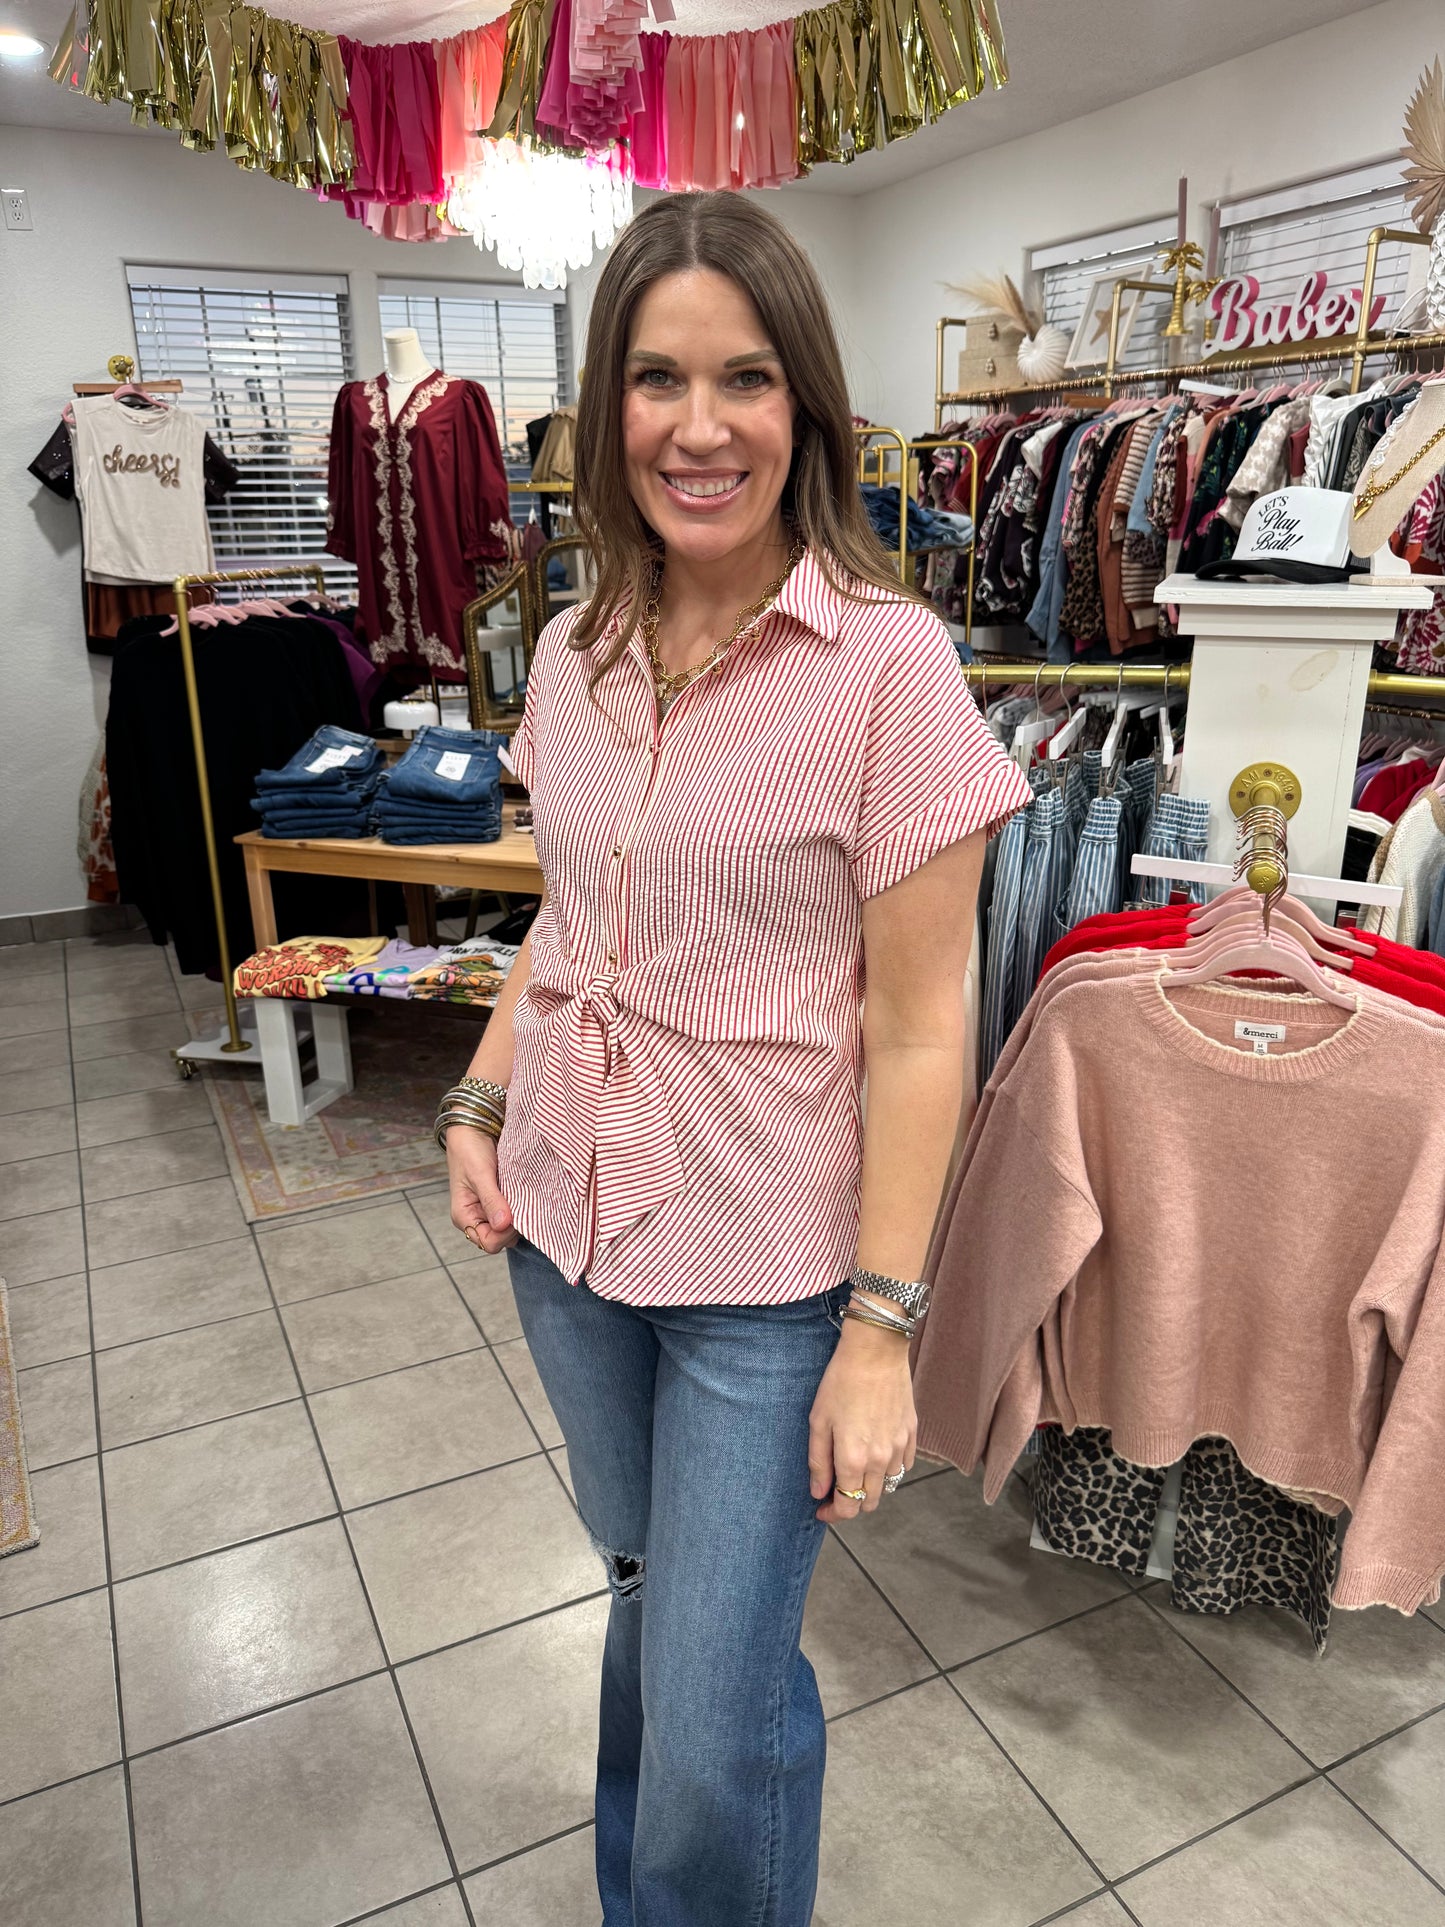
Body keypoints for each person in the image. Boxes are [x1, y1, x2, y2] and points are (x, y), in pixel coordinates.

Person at [439, 190, 1029, 1926]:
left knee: (712, 1696)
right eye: (656, 381)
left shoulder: (887, 671)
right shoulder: (573, 652)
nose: (699, 427)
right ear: (602, 413)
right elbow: (562, 921)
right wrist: (483, 1093)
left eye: (747, 379)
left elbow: (927, 1030)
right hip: (570, 1234)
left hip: (764, 1280)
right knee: (649, 1605)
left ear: (809, 411)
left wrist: (882, 1332)